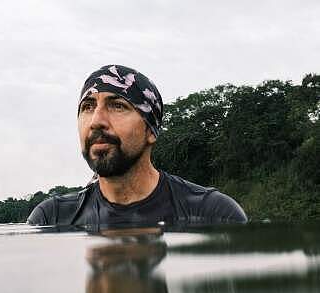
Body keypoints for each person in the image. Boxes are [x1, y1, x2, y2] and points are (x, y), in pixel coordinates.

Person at [27, 65, 247, 226]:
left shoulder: (213, 212)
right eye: (87, 107)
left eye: (117, 106)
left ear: (151, 131)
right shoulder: (52, 218)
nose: (96, 120)